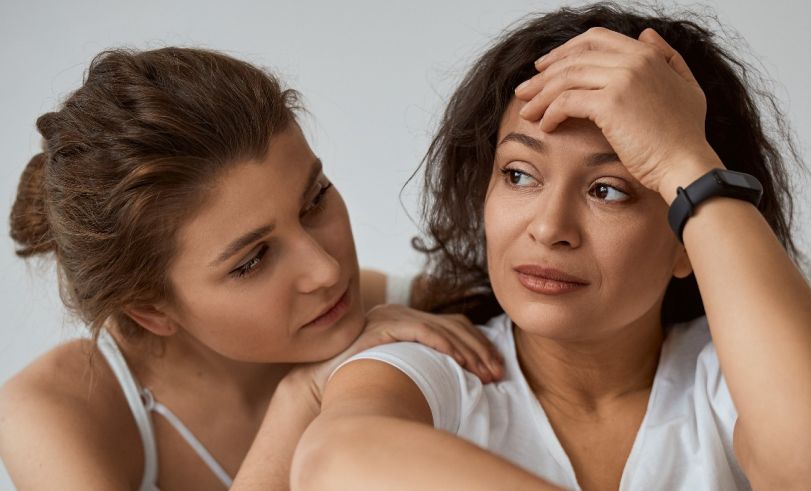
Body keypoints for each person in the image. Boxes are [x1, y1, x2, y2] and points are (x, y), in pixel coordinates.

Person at [292, 4, 811, 490]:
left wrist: (685, 159)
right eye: (518, 175)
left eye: (608, 190)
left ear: (689, 241)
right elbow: (333, 461)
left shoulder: (728, 381)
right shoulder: (435, 372)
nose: (549, 227)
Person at [0, 47, 505, 490]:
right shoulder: (51, 410)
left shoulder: (397, 312)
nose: (326, 271)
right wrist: (300, 399)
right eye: (252, 261)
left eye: (315, 200)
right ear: (151, 311)